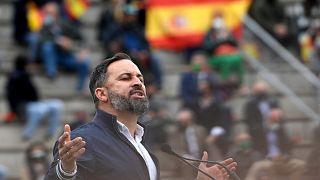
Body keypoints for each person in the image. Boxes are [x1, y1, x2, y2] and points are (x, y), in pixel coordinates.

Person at [44, 53, 237, 180]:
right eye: (125, 78)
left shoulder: (147, 153)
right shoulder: (84, 141)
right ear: (102, 94)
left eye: (140, 78)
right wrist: (66, 169)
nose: (137, 82)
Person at [5, 54, 63, 140]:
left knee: (56, 105)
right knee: (38, 110)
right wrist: (13, 112)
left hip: (35, 104)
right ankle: (26, 135)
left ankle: (51, 133)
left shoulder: (27, 75)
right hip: (22, 107)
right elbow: (11, 96)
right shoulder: (15, 77)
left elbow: (34, 95)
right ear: (25, 65)